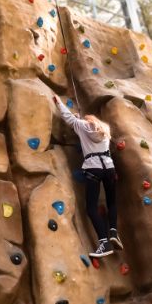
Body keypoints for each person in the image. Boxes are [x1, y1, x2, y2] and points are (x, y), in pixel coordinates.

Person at [53, 95, 121, 258]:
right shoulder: (105, 130)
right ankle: (113, 231)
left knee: (91, 207)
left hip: (93, 168)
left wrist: (58, 102)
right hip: (109, 167)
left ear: (87, 120)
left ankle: (104, 243)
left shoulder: (81, 124)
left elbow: (68, 117)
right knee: (111, 201)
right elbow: (89, 130)